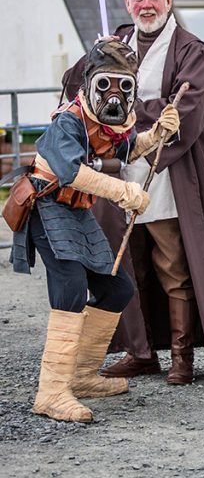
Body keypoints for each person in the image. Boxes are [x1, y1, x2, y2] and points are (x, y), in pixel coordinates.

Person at [63, 0, 204, 385]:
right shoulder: (115, 43)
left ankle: (182, 357)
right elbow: (79, 91)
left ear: (168, 2)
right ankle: (141, 352)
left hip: (167, 174)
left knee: (174, 264)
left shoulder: (190, 49)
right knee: (129, 266)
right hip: (118, 174)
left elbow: (188, 108)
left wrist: (127, 116)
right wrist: (93, 59)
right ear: (128, 3)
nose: (146, 5)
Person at [10, 38, 177, 421]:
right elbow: (70, 171)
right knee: (69, 287)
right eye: (106, 85)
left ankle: (82, 375)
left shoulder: (107, 124)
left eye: (124, 86)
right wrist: (122, 191)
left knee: (116, 287)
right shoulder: (68, 120)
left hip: (77, 211)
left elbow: (126, 151)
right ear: (88, 84)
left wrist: (157, 135)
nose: (115, 95)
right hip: (47, 207)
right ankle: (51, 392)